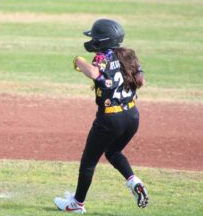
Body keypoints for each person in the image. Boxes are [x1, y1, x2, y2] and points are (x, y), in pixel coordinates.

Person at [54, 19, 149, 213]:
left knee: (88, 162)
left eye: (96, 37)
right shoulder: (129, 55)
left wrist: (77, 61)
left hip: (110, 119)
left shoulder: (101, 56)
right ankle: (134, 181)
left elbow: (95, 74)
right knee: (113, 152)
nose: (93, 40)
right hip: (132, 116)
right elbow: (141, 81)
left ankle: (77, 204)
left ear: (104, 40)